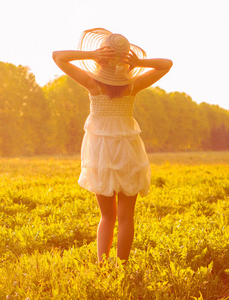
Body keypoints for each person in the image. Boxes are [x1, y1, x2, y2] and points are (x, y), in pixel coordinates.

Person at [52, 28, 172, 263]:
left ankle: (103, 266)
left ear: (102, 58)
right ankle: (123, 266)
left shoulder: (92, 84)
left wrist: (92, 55)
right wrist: (139, 61)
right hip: (129, 153)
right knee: (127, 217)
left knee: (107, 216)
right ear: (126, 59)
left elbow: (58, 56)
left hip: (100, 155)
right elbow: (166, 64)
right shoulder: (132, 86)